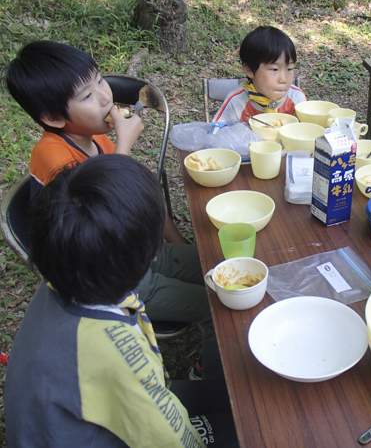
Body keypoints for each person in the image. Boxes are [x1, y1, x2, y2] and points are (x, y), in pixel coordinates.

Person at [3, 40, 219, 379]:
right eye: (87, 96)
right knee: (216, 307)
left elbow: (137, 196)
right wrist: (125, 145)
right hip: (112, 279)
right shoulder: (52, 156)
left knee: (218, 262)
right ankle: (205, 377)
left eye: (99, 80)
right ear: (52, 117)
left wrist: (177, 244)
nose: (105, 97)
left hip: (141, 253)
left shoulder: (96, 138)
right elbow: (114, 202)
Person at [4, 155, 237, 447]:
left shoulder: (68, 268)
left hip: (64, 419)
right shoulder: (118, 352)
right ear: (153, 256)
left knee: (230, 396)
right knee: (249, 427)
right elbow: (174, 440)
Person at [212, 25, 306, 124]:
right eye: (274, 69)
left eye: (289, 69)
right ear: (249, 70)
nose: (283, 79)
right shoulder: (237, 101)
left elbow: (308, 132)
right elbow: (217, 133)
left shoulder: (296, 98)